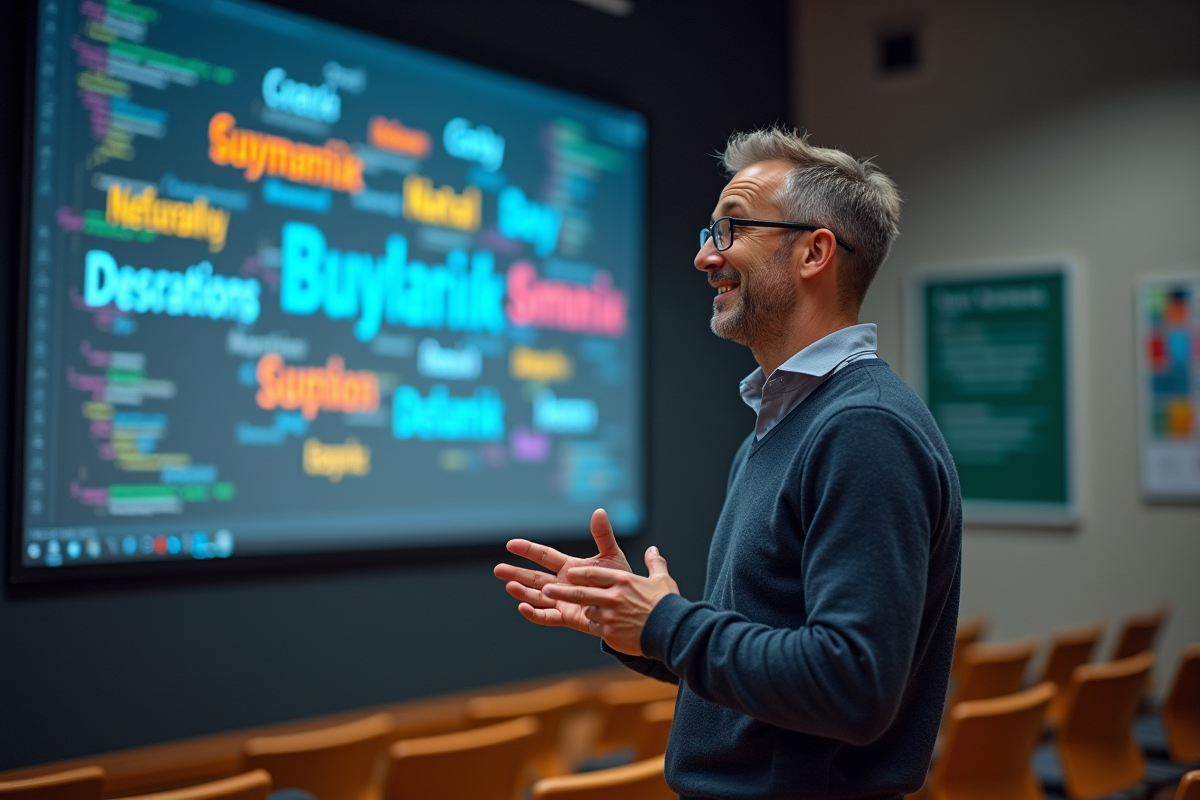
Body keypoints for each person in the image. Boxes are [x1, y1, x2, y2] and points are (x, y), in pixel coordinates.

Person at [494, 127, 962, 799]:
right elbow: (767, 667)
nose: (701, 257)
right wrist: (638, 625)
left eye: (729, 230)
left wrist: (667, 622)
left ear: (814, 251)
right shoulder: (779, 430)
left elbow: (851, 685)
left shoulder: (864, 428)